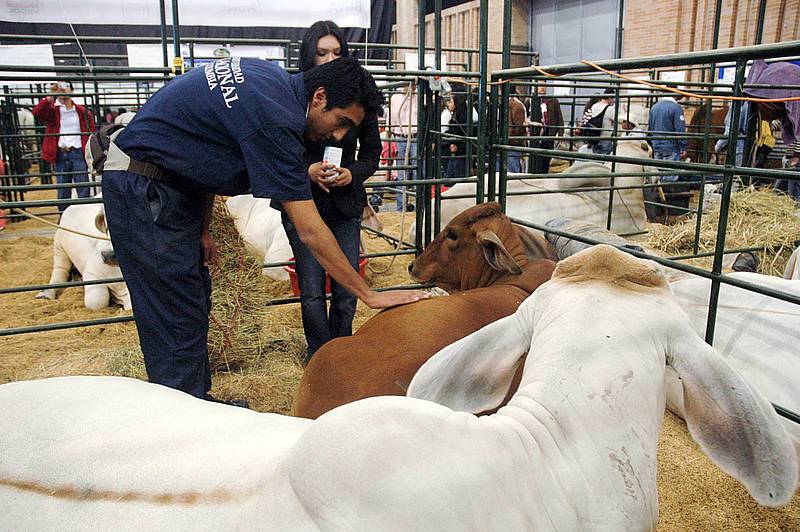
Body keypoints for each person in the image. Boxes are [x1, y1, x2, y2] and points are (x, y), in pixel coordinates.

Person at [101, 56, 427, 401]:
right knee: (173, 309)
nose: (340, 135)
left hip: (169, 186)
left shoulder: (270, 79)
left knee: (193, 296)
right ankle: (180, 418)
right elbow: (311, 231)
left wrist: (203, 228)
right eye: (341, 121)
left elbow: (202, 151)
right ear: (319, 97)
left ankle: (196, 402)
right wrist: (369, 294)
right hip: (145, 188)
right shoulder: (276, 123)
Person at [286, 21, 383, 363]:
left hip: (344, 206)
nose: (329, 58)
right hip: (302, 203)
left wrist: (351, 175)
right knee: (311, 290)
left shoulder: (360, 97)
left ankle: (341, 353)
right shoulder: (293, 98)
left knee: (345, 286)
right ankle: (319, 356)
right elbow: (278, 153)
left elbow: (373, 154)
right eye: (322, 52)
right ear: (309, 55)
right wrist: (307, 171)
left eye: (337, 52)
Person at [32, 82, 95, 212]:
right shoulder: (53, 111)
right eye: (60, 91)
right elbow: (37, 112)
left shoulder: (82, 112)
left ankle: (83, 217)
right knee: (63, 190)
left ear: (72, 91)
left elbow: (91, 131)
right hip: (61, 153)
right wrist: (50, 96)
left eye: (66, 89)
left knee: (83, 188)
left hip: (78, 152)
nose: (63, 94)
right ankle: (63, 217)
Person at [388, 83, 417, 211]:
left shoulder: (419, 97)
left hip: (415, 135)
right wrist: (389, 138)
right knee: (402, 172)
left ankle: (420, 206)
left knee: (417, 171)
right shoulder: (395, 98)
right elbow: (391, 117)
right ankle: (401, 207)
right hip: (400, 135)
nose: (411, 86)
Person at [647, 93, 687, 181]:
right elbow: (679, 129)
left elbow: (650, 127)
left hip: (656, 145)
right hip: (671, 146)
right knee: (670, 174)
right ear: (675, 95)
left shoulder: (654, 107)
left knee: (658, 174)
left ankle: (659, 193)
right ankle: (668, 193)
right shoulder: (676, 108)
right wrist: (683, 146)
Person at [530, 81, 564, 174]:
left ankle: (543, 176)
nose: (542, 87)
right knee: (536, 160)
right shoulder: (531, 100)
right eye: (540, 85)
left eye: (544, 85)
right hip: (536, 135)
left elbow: (559, 118)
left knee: (546, 159)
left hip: (549, 135)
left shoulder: (553, 101)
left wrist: (560, 134)